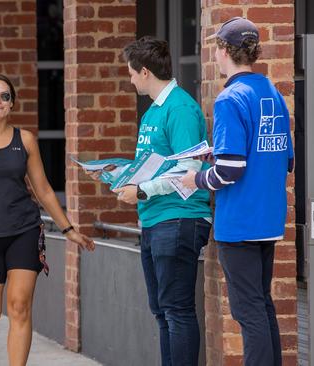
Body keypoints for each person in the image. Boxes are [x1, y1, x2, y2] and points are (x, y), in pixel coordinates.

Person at [0, 73, 95, 366]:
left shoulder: (25, 139)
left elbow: (42, 189)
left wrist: (68, 229)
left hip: (24, 231)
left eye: (4, 96)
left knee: (19, 307)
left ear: (12, 102)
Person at [181, 17, 294, 366]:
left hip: (240, 222)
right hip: (268, 219)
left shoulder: (230, 98)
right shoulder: (272, 93)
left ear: (224, 50)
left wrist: (195, 179)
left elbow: (230, 171)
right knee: (261, 305)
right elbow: (283, 159)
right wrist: (217, 153)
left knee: (248, 313)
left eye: (216, 47)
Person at [106, 37, 212, 366]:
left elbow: (188, 168)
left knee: (177, 311)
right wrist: (119, 175)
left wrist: (139, 191)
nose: (130, 79)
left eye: (132, 74)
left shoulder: (180, 108)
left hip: (179, 219)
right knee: (163, 312)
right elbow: (155, 165)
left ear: (145, 71)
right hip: (154, 220)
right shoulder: (154, 111)